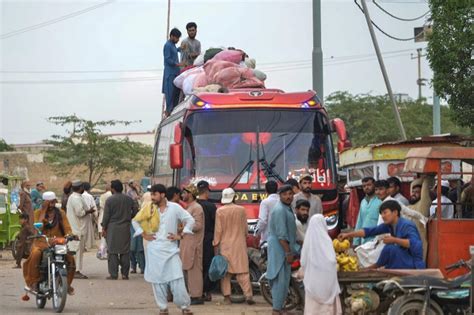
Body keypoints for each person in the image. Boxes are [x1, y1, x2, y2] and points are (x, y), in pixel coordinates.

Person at [132, 184, 195, 315]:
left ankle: (184, 307)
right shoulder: (148, 208)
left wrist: (181, 235)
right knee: (157, 281)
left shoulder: (175, 208)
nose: (152, 197)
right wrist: (144, 234)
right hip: (154, 249)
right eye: (152, 195)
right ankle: (163, 308)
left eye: (155, 195)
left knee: (177, 278)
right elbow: (135, 221)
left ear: (162, 194)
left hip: (171, 250)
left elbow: (190, 220)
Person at [339, 200, 425, 270]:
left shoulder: (407, 225)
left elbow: (416, 245)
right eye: (381, 214)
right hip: (402, 260)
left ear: (395, 212)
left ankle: (374, 267)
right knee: (389, 248)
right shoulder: (389, 225)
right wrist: (348, 235)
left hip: (413, 264)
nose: (383, 216)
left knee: (390, 248)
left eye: (385, 213)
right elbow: (369, 231)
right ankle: (375, 267)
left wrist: (394, 240)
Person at [23, 192, 76, 294]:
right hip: (41, 241)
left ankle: (67, 284)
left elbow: (67, 227)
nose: (51, 205)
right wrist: (43, 210)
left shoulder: (60, 213)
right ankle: (33, 282)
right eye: (48, 202)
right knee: (35, 254)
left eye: (53, 202)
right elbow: (39, 227)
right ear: (44, 202)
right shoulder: (38, 213)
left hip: (57, 242)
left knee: (70, 258)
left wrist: (70, 235)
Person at [213, 188, 255, 305]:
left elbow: (218, 231)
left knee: (226, 273)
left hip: (225, 245)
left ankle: (227, 298)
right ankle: (248, 296)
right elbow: (245, 229)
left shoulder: (220, 211)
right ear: (234, 197)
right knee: (243, 271)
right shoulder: (241, 210)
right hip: (239, 245)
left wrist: (216, 245)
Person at [299, 214, 342, 315]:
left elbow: (303, 261)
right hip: (327, 281)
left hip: (312, 281)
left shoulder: (308, 241)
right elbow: (332, 260)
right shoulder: (327, 240)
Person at [266, 185, 299, 315]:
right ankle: (276, 310)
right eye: (285, 194)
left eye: (290, 194)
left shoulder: (287, 208)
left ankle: (280, 308)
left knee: (284, 281)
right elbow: (281, 235)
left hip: (283, 248)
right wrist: (288, 252)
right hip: (280, 249)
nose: (288, 196)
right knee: (280, 281)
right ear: (280, 195)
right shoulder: (280, 210)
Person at [102, 180, 137, 280]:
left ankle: (113, 274)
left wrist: (104, 228)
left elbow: (106, 216)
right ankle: (125, 274)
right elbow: (135, 210)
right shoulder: (128, 199)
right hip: (125, 227)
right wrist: (129, 217)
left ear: (113, 189)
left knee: (112, 251)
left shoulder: (110, 200)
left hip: (112, 228)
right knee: (125, 251)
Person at [180, 184, 205, 305]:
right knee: (188, 270)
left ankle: (197, 296)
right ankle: (192, 294)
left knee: (194, 270)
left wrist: (184, 226)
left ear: (190, 194)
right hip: (187, 243)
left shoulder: (197, 208)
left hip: (194, 244)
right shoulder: (189, 207)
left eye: (184, 193)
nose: (182, 195)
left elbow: (198, 226)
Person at [67, 180, 94, 279]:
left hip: (78, 228)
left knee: (77, 250)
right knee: (77, 251)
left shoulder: (76, 197)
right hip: (78, 229)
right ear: (80, 188)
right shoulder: (75, 198)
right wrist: (89, 211)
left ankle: (74, 269)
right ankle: (76, 270)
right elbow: (80, 213)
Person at [195, 180, 217, 302]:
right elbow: (216, 225)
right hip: (208, 239)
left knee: (198, 266)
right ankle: (207, 291)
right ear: (207, 191)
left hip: (196, 239)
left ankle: (197, 290)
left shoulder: (194, 205)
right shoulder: (211, 206)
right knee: (208, 264)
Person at [353, 177, 382, 246]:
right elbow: (359, 222)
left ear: (374, 185)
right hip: (364, 240)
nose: (366, 187)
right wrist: (356, 241)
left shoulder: (380, 200)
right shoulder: (363, 202)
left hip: (377, 240)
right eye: (364, 186)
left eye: (369, 185)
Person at [163, 28, 183, 116]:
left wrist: (180, 49)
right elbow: (167, 59)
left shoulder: (173, 45)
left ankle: (174, 111)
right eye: (177, 38)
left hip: (175, 73)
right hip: (170, 74)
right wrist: (178, 64)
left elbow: (174, 51)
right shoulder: (167, 45)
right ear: (171, 36)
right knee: (170, 95)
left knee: (176, 94)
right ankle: (168, 112)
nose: (178, 40)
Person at [127, 180, 145, 274]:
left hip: (139, 222)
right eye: (134, 183)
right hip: (133, 221)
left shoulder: (137, 192)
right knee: (133, 248)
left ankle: (142, 267)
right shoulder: (130, 193)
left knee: (139, 248)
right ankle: (134, 267)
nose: (136, 184)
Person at [256, 180, 279, 245]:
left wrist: (257, 233)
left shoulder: (265, 202)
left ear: (266, 190)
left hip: (267, 239)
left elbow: (262, 221)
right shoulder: (281, 201)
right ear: (277, 189)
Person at [82, 182, 97, 250]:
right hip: (88, 215)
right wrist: (95, 215)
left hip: (80, 216)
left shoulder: (80, 195)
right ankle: (86, 246)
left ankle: (82, 245)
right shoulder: (89, 196)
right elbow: (94, 207)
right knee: (87, 231)